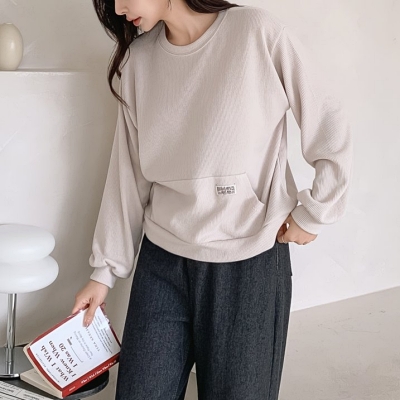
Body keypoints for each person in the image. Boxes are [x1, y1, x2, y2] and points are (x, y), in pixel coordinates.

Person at [71, 0, 353, 399]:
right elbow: (127, 175)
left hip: (249, 260)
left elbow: (328, 117)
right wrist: (103, 272)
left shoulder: (255, 32)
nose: (118, 8)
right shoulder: (138, 62)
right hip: (162, 262)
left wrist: (316, 211)